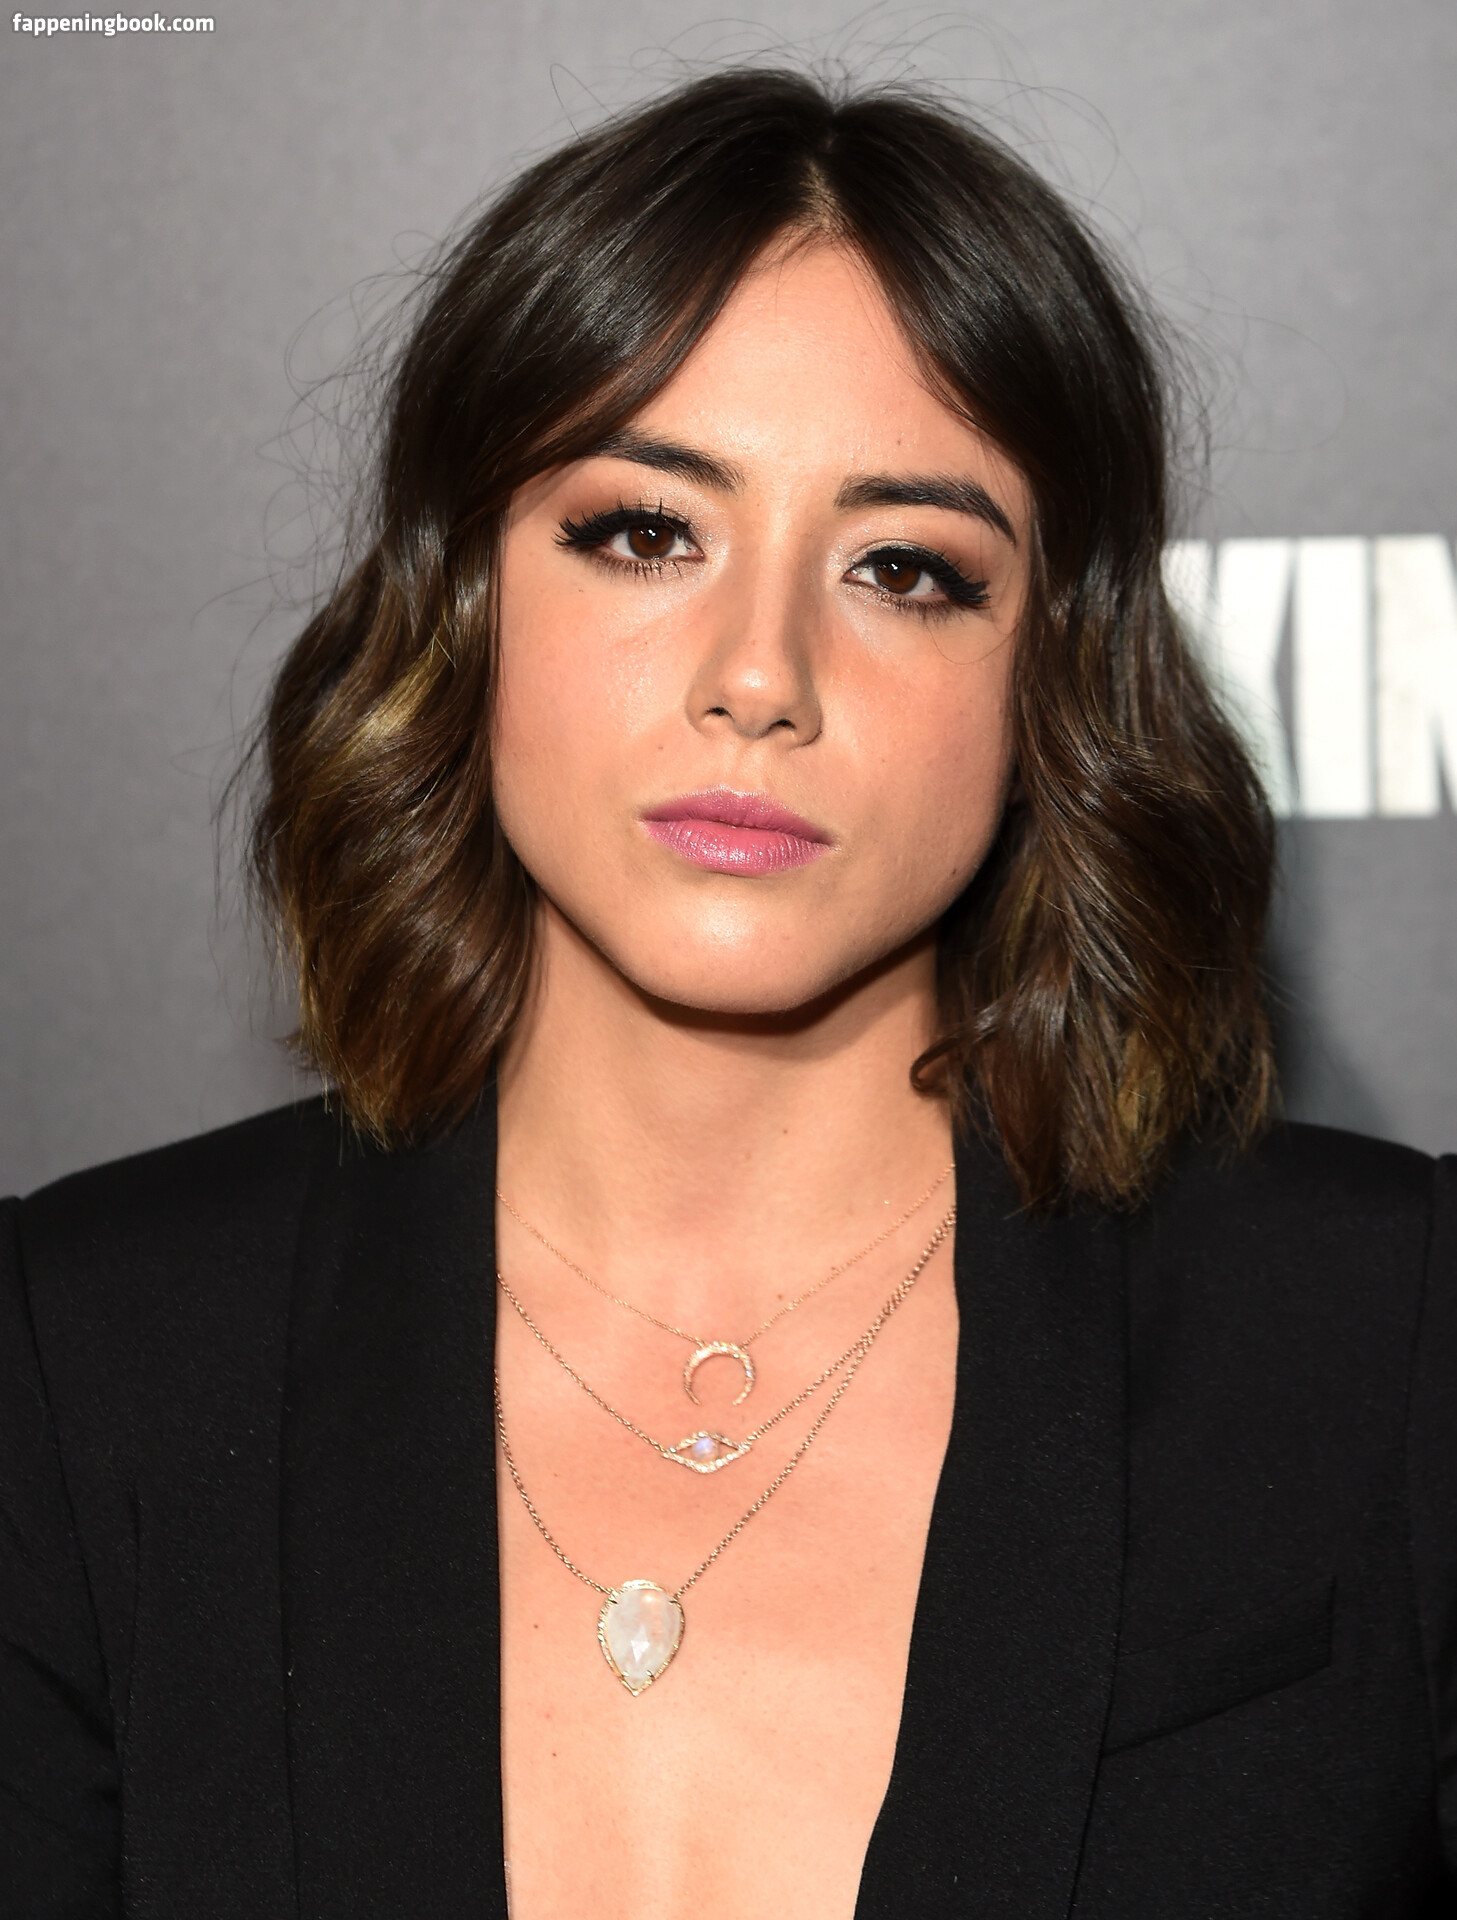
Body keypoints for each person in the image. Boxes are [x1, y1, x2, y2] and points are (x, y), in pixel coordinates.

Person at [2, 67, 1453, 1920]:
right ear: (464, 598)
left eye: (904, 569)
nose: (759, 674)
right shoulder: (84, 1359)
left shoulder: (1386, 1345)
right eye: (644, 531)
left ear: (1053, 677)